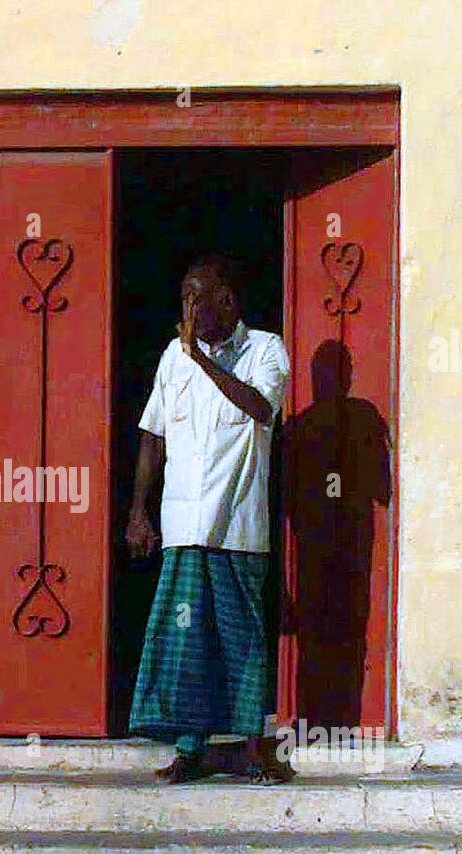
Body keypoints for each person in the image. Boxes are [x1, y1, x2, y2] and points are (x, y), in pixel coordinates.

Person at [125, 254, 293, 784]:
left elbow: (261, 409)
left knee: (240, 639)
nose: (189, 309)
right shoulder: (171, 359)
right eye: (183, 298)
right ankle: (189, 749)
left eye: (199, 297)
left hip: (237, 528)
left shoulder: (265, 350)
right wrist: (138, 512)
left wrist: (201, 359)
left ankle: (249, 749)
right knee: (185, 640)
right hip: (182, 527)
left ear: (227, 300)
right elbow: (153, 434)